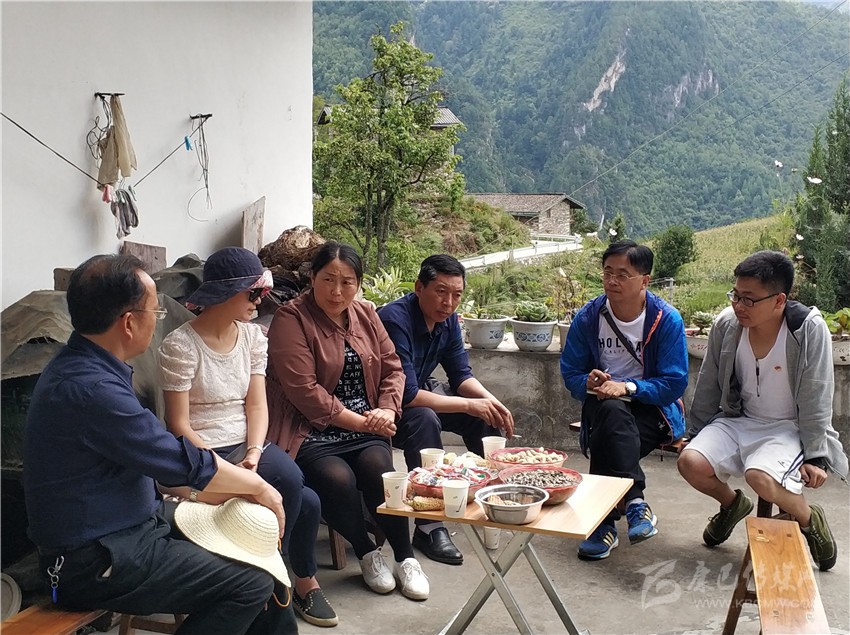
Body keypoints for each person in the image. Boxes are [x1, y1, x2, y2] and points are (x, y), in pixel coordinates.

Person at [23, 254, 285, 635]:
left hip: (136, 521)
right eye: (156, 312)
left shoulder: (85, 365)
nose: (158, 319)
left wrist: (243, 488)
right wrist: (258, 487)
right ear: (129, 322)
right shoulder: (92, 389)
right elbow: (175, 459)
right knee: (251, 583)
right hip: (94, 558)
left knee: (257, 546)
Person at [158, 247, 336, 627]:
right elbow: (179, 425)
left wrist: (254, 452)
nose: (260, 301)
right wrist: (223, 466)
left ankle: (273, 574)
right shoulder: (180, 346)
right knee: (304, 500)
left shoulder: (254, 338)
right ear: (226, 294)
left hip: (245, 441)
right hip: (200, 450)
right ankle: (278, 586)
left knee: (292, 480)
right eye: (254, 293)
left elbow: (256, 405)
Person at [265, 242, 430, 601]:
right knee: (337, 479)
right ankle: (367, 552)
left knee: (379, 469)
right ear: (312, 278)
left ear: (358, 283)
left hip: (366, 420)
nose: (337, 291)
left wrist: (386, 410)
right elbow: (304, 391)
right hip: (310, 428)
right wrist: (364, 423)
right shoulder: (291, 319)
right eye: (328, 279)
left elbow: (393, 367)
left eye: (347, 282)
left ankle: (406, 558)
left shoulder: (366, 314)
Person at [678, 250, 847, 571]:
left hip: (788, 428)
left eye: (749, 299)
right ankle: (732, 505)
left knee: (760, 477)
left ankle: (810, 519)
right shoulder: (727, 325)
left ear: (779, 300)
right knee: (690, 462)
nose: (739, 306)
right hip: (738, 420)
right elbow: (709, 381)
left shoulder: (807, 329)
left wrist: (815, 456)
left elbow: (818, 393)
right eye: (735, 295)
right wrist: (695, 433)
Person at [378, 254, 515, 566]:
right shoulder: (394, 320)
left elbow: (460, 375)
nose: (449, 302)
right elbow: (407, 395)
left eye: (457, 294)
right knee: (425, 419)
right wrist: (470, 404)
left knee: (485, 416)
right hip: (383, 404)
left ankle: (493, 498)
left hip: (417, 391)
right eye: (441, 292)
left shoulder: (448, 319)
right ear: (419, 287)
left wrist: (490, 401)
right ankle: (429, 527)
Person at [560, 240, 688, 561]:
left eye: (622, 274)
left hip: (653, 411)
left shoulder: (666, 319)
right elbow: (571, 372)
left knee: (608, 431)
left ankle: (603, 524)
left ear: (644, 280)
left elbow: (674, 383)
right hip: (602, 405)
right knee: (610, 412)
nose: (612, 281)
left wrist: (628, 387)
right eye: (607, 272)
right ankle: (635, 502)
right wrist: (588, 382)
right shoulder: (589, 317)